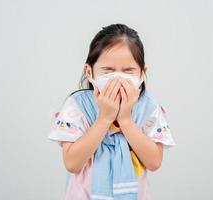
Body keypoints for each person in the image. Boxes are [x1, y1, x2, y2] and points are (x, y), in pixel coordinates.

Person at [48, 23, 176, 200]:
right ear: (90, 72)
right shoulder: (77, 106)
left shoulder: (149, 108)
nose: (117, 77)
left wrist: (126, 120)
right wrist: (104, 118)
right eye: (107, 70)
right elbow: (72, 163)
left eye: (128, 70)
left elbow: (154, 162)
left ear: (141, 73)